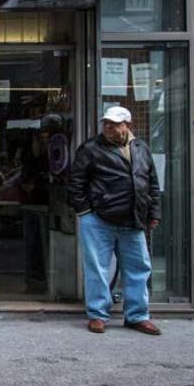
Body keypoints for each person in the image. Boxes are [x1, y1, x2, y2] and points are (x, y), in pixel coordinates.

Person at [68, 106, 162, 335]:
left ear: (128, 126)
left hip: (133, 219)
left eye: (114, 124)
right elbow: (75, 182)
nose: (108, 127)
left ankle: (137, 316)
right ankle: (98, 315)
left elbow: (152, 183)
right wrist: (85, 212)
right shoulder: (91, 149)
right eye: (106, 123)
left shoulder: (141, 148)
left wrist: (154, 213)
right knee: (98, 269)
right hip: (99, 219)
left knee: (139, 267)